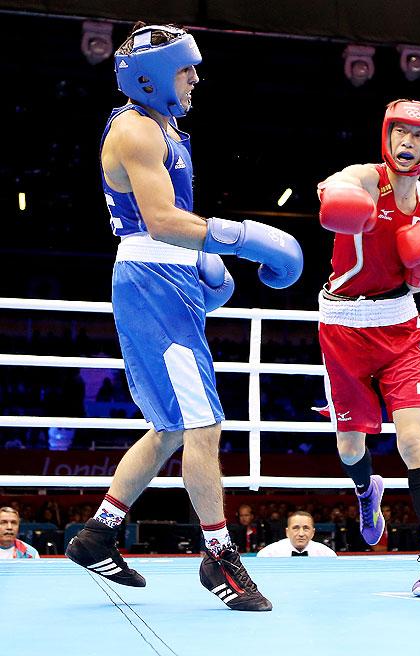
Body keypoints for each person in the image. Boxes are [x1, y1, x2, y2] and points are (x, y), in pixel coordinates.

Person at [65, 22, 303, 613]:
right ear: (148, 77)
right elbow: (163, 221)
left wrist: (207, 259)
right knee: (204, 425)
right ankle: (219, 556)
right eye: (184, 69)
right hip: (153, 279)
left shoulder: (166, 127)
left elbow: (174, 226)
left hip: (164, 277)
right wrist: (241, 238)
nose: (195, 77)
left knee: (171, 425)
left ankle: (98, 532)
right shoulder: (136, 129)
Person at [316, 98, 420, 596]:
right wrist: (336, 193)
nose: (406, 143)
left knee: (412, 439)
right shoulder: (366, 178)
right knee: (351, 446)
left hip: (399, 327)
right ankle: (365, 490)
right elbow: (338, 187)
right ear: (387, 134)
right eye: (399, 132)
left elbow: (417, 284)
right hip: (344, 327)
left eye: (418, 136)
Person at [257, 511, 337, 557]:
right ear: (287, 532)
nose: (301, 534)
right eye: (296, 528)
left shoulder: (327, 554)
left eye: (306, 528)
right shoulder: (269, 554)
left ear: (313, 533)